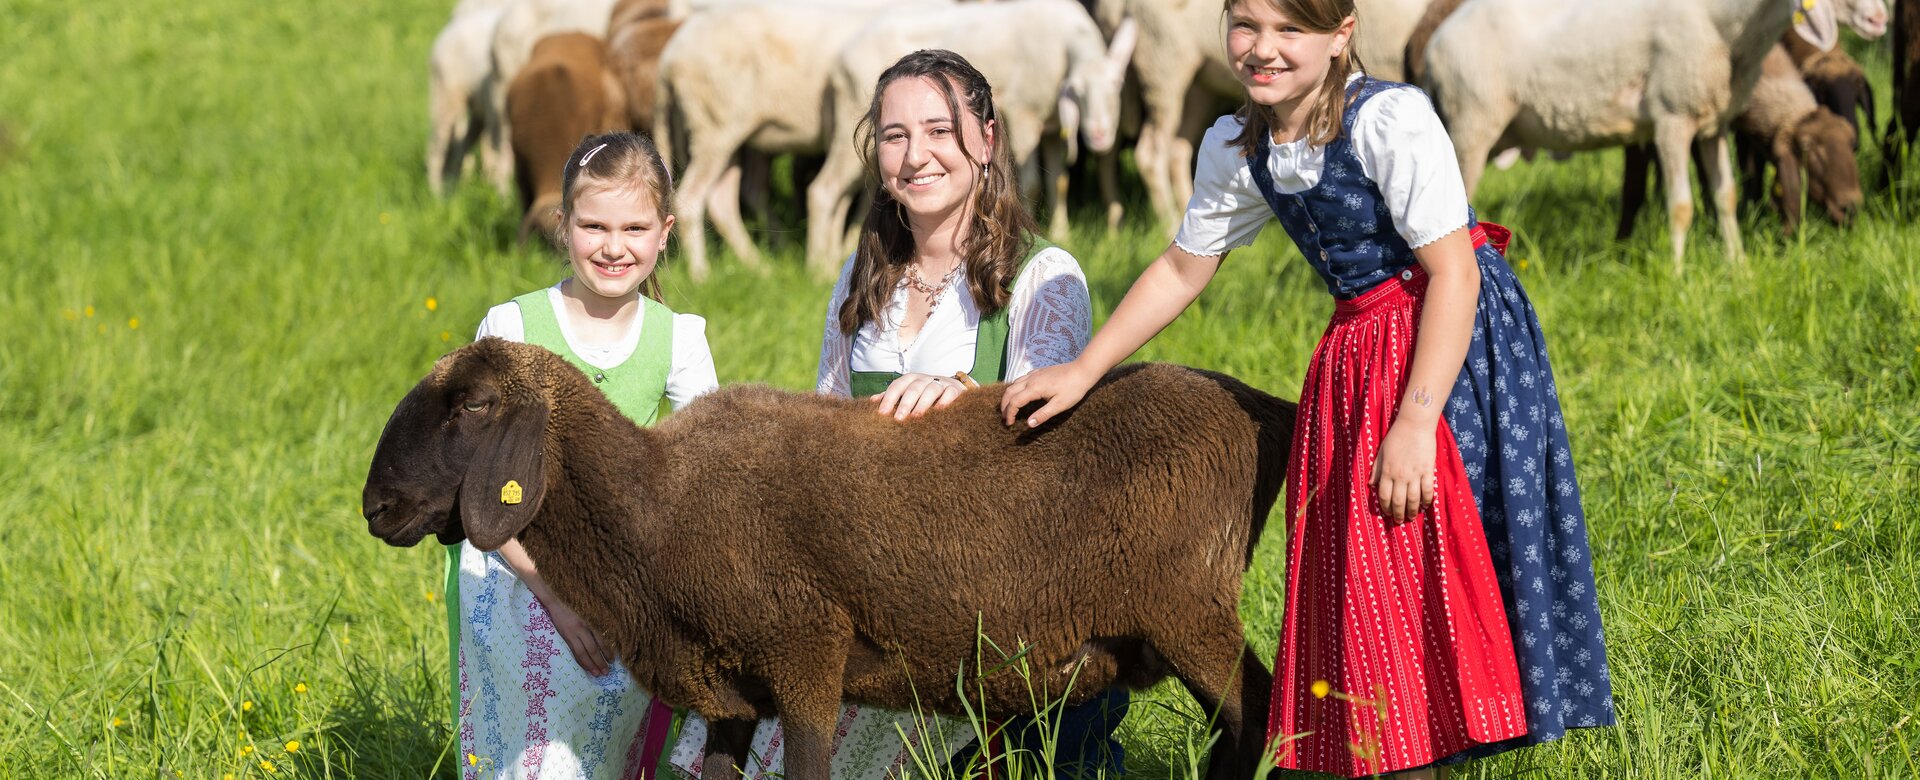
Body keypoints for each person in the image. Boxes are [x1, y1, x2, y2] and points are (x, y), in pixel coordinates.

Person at [999, 0, 1615, 775]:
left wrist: (1417, 422)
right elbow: (1185, 266)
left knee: (1439, 545)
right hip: (1358, 349)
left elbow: (1454, 273)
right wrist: (1085, 369)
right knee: (1366, 567)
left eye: (1291, 30)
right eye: (1246, 24)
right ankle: (1383, 743)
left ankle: (1439, 732)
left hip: (1450, 344)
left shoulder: (1389, 119)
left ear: (1340, 35)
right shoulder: (1237, 143)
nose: (1263, 49)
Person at [667, 49, 1126, 780]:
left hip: (979, 582)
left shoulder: (1043, 277)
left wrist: (964, 399)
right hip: (856, 573)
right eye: (894, 136)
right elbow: (815, 435)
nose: (917, 156)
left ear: (988, 138)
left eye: (939, 131)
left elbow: (1048, 470)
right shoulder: (861, 277)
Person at [449, 131, 718, 779]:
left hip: (621, 576)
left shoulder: (677, 339)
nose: (614, 246)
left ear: (665, 233)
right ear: (562, 226)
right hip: (516, 566)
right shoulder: (512, 328)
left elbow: (707, 475)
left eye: (634, 227)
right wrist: (556, 597)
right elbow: (477, 489)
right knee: (538, 762)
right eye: (593, 225)